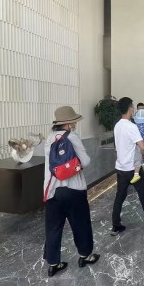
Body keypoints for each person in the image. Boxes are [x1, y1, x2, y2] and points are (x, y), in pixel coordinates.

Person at [43, 106, 99, 276]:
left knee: (53, 228)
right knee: (80, 224)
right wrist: (72, 165)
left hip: (52, 191)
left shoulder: (49, 138)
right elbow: (86, 161)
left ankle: (53, 264)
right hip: (74, 190)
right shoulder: (72, 137)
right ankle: (85, 256)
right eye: (73, 121)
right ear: (68, 124)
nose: (75, 124)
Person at [111, 97, 144, 235]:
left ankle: (115, 225)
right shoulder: (131, 126)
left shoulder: (117, 125)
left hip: (121, 167)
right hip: (132, 167)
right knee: (143, 193)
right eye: (133, 107)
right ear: (130, 109)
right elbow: (142, 147)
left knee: (119, 196)